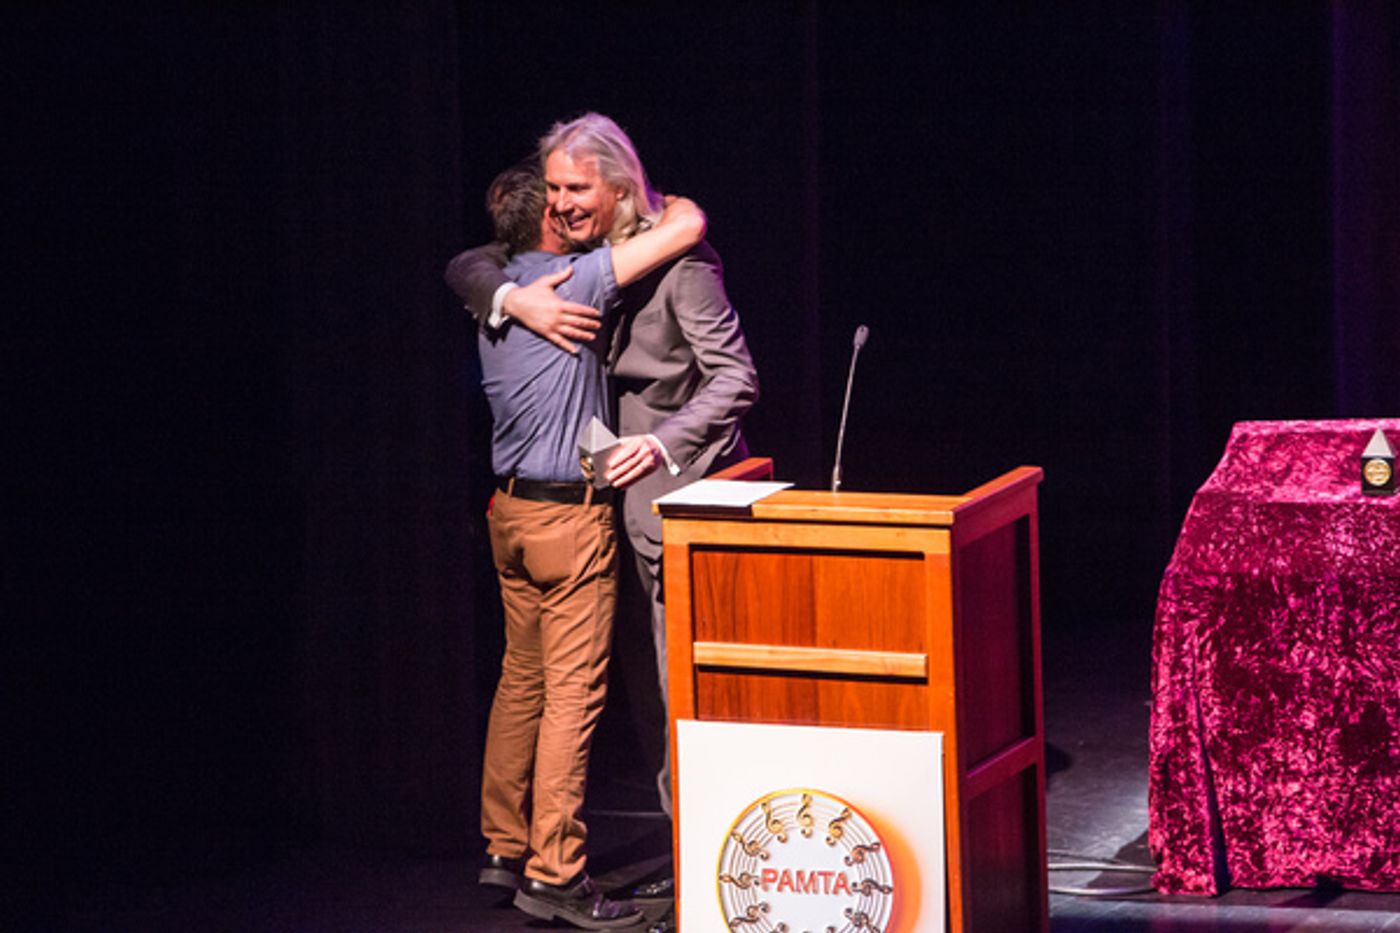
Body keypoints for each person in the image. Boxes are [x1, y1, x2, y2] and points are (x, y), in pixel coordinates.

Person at [445, 114, 759, 821]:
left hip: (672, 503)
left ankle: (705, 847)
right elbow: (467, 265)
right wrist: (513, 299)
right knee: (642, 689)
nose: (560, 203)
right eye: (553, 188)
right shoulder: (565, 263)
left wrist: (662, 443)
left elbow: (736, 378)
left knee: (680, 687)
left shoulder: (682, 262)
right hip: (593, 512)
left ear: (620, 188)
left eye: (577, 188)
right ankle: (681, 842)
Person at [456, 160, 706, 930]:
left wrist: (503, 291)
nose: (572, 209)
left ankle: (503, 846)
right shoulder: (575, 282)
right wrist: (645, 194)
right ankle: (556, 871)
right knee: (572, 694)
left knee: (520, 681)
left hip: (511, 513)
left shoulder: (498, 293)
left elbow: (465, 263)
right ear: (547, 220)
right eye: (560, 201)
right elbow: (687, 224)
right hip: (569, 522)